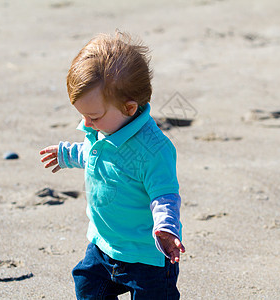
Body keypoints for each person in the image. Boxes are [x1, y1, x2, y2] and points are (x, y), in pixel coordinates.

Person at [40, 32, 185, 299]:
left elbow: (165, 195)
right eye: (81, 115)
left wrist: (166, 227)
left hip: (146, 257)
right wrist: (67, 154)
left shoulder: (154, 150)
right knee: (86, 286)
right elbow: (94, 155)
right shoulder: (104, 131)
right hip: (104, 245)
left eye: (93, 116)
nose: (85, 124)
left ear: (130, 108)